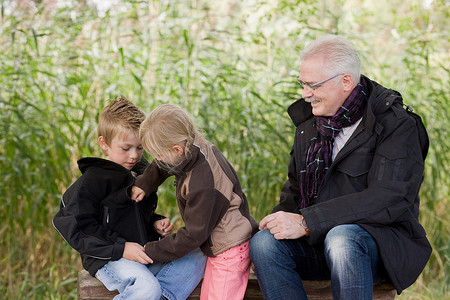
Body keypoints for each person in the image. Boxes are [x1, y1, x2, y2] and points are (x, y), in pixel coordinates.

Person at [249, 35, 431, 300]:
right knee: (264, 244)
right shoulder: (308, 127)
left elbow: (388, 198)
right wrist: (276, 223)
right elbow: (295, 191)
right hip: (319, 242)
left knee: (342, 238)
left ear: (346, 81)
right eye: (302, 84)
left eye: (313, 85)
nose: (304, 94)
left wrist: (308, 221)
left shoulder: (395, 124)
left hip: (377, 244)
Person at [53, 96, 206, 300]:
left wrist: (154, 222)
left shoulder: (141, 176)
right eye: (126, 148)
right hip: (111, 258)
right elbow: (77, 227)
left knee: (200, 252)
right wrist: (121, 248)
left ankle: (161, 296)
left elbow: (130, 217)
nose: (134, 155)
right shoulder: (93, 180)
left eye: (140, 148)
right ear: (104, 144)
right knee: (146, 289)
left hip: (142, 254)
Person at [131, 104, 259, 300]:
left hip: (229, 251)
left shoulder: (203, 182)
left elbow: (193, 235)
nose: (157, 159)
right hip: (221, 243)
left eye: (158, 154)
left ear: (177, 149)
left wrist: (149, 250)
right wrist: (145, 183)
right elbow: (166, 163)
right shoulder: (192, 145)